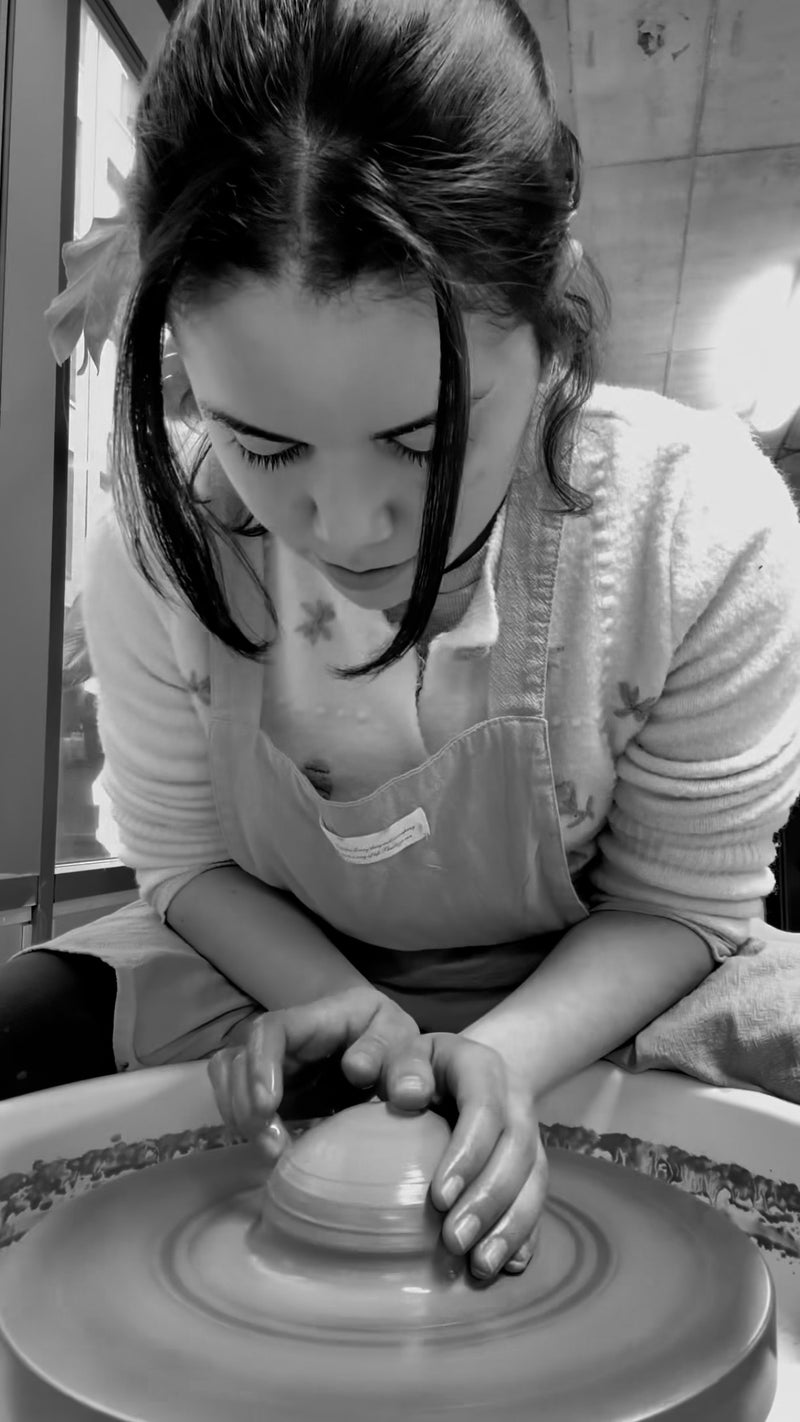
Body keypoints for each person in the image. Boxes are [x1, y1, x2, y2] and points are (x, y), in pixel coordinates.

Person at [2, 0, 800, 1285]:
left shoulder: (694, 523)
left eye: (425, 441)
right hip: (269, 971)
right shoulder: (157, 541)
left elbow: (681, 903)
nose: (348, 527)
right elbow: (185, 861)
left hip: (601, 980)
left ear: (550, 315)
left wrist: (505, 1057)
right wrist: (338, 1005)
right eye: (263, 447)